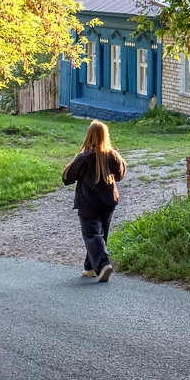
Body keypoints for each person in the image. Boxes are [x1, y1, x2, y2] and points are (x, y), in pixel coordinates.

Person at [62, 120, 127, 282]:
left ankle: (104, 264)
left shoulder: (83, 158)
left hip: (88, 203)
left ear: (89, 136)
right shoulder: (112, 155)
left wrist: (74, 162)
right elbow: (120, 176)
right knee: (101, 235)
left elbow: (67, 178)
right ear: (106, 136)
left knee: (92, 235)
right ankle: (89, 268)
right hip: (108, 202)